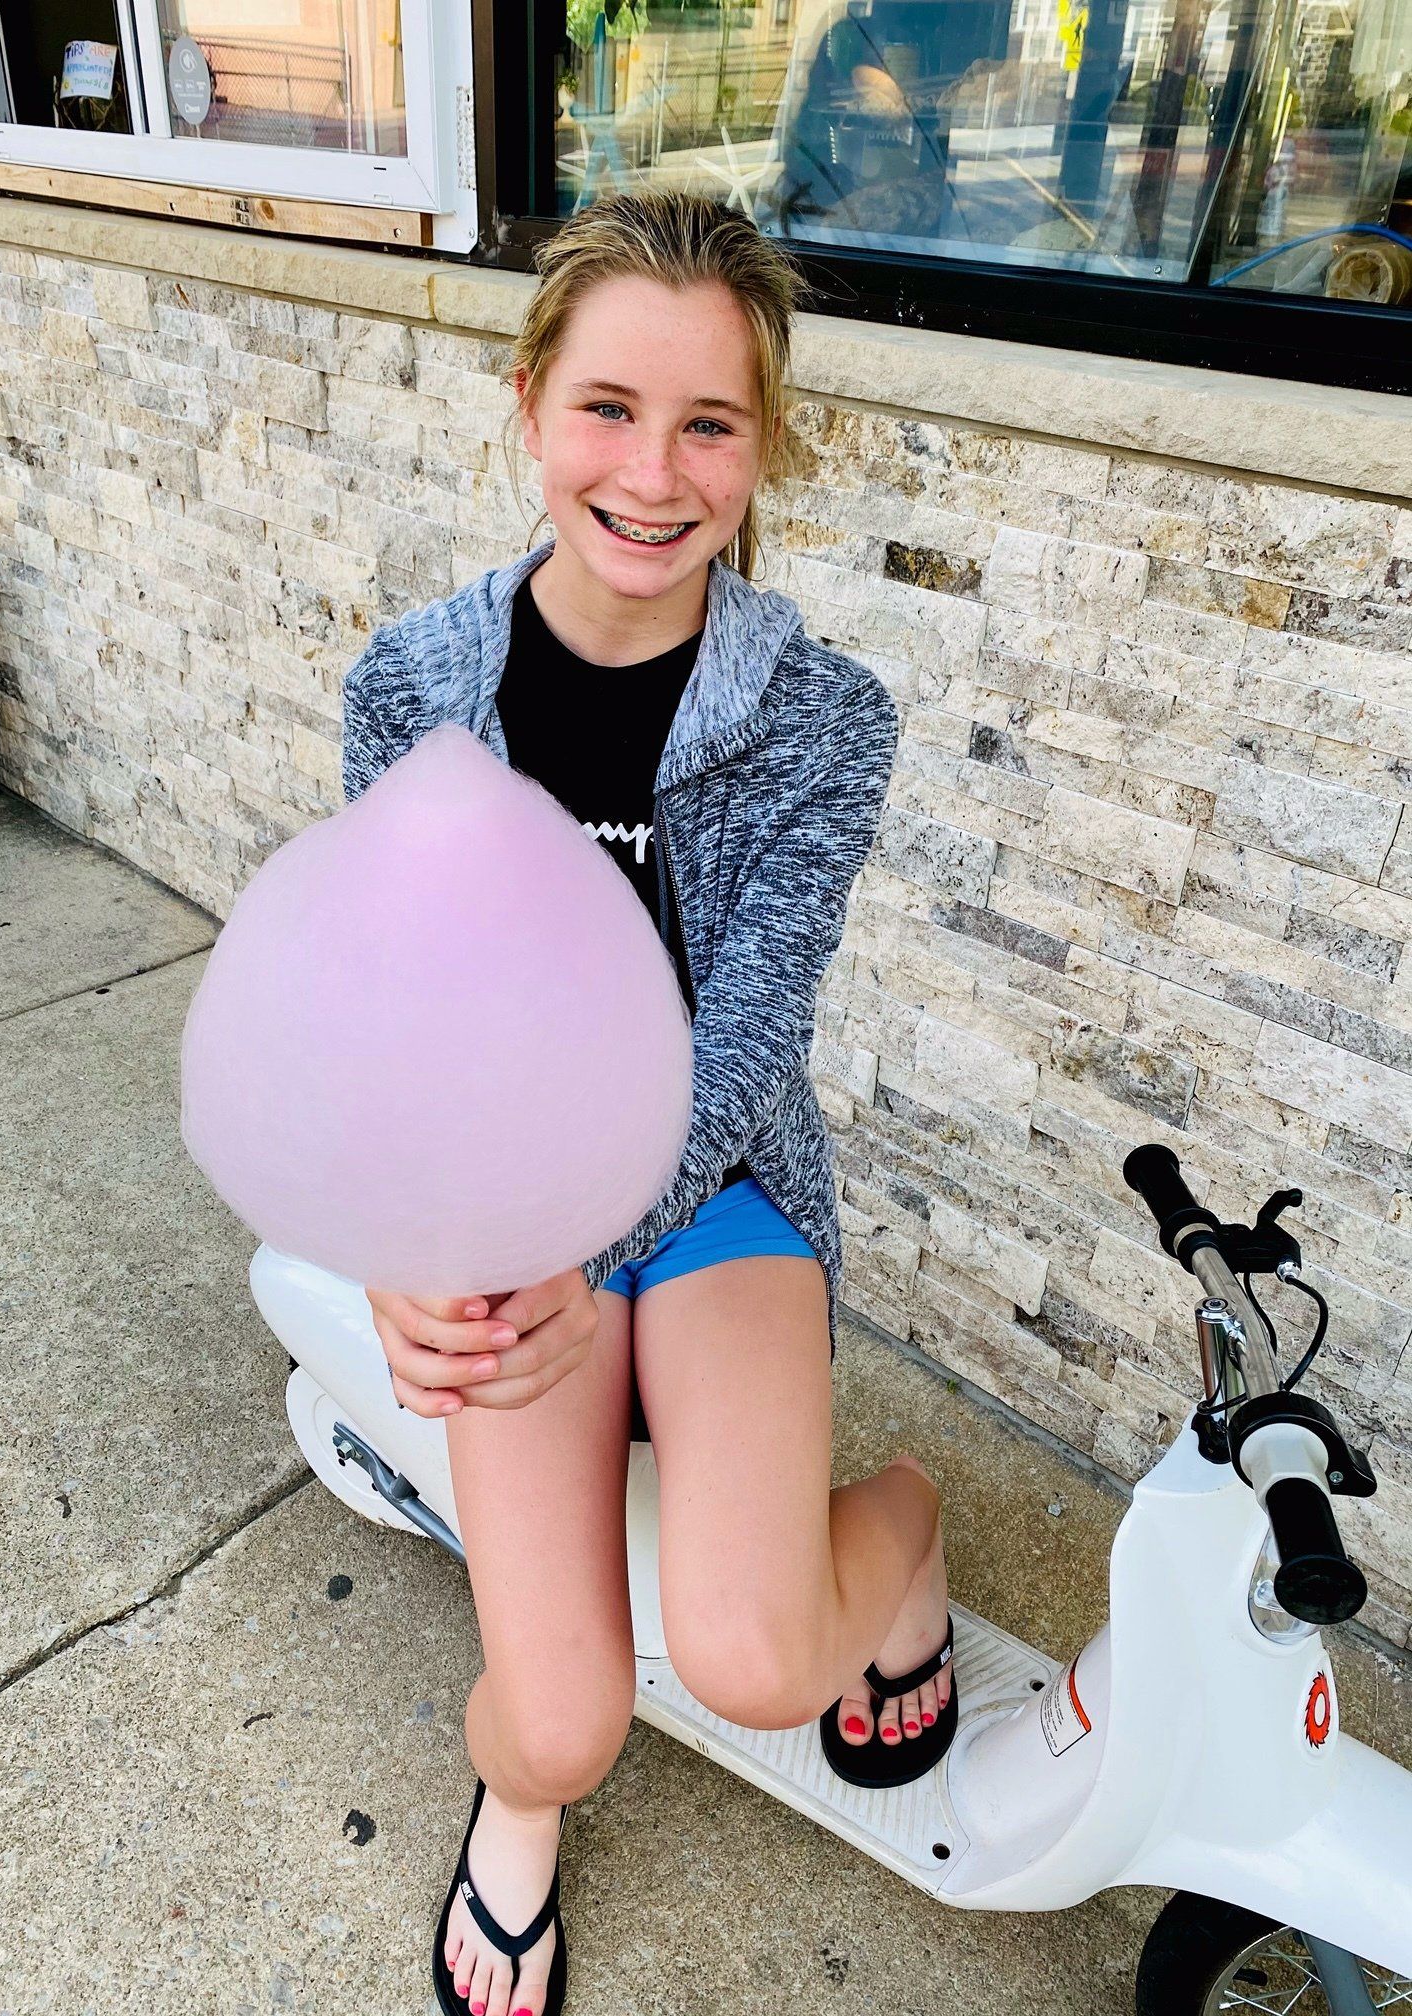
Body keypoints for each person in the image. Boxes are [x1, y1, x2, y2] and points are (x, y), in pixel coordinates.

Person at [339, 188, 955, 2016]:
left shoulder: (826, 717)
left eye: (710, 423)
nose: (654, 473)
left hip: (718, 1189)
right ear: (531, 403)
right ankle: (518, 1804)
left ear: (766, 447)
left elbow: (747, 1035)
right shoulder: (412, 687)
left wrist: (583, 1242)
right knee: (556, 1722)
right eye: (609, 406)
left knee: (760, 1663)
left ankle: (905, 1526)